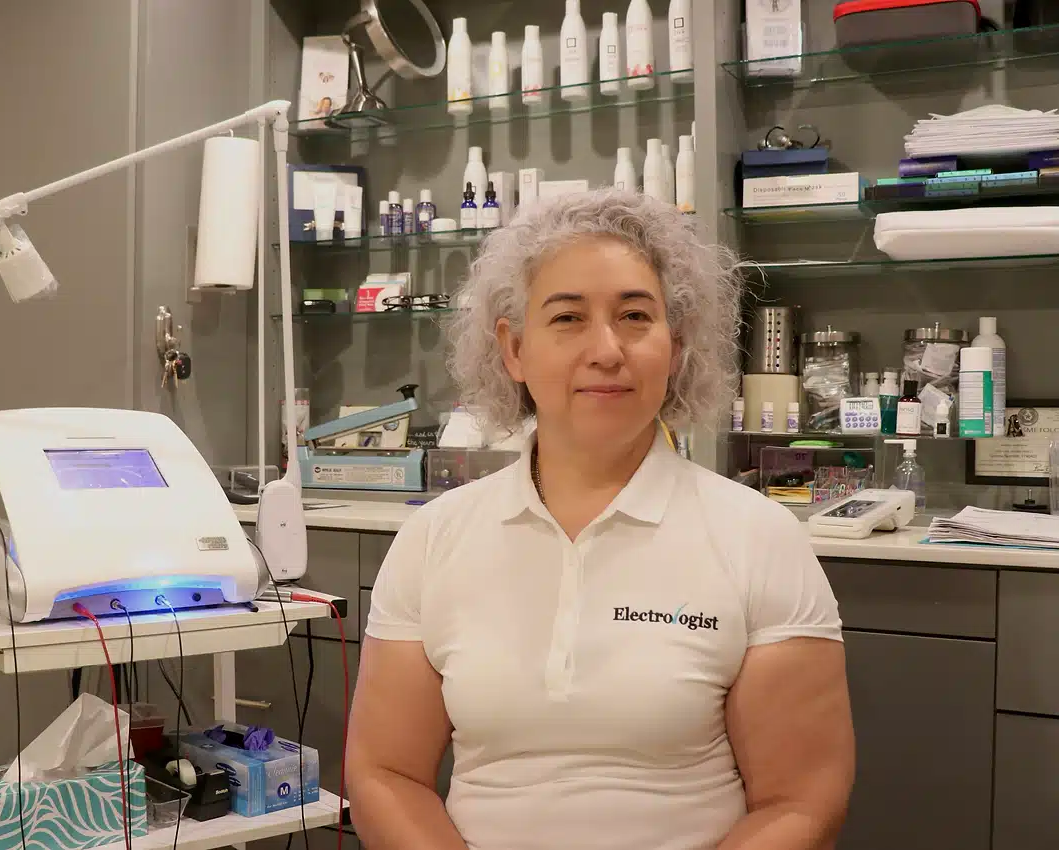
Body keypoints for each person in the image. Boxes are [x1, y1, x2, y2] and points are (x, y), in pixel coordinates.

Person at [345, 188, 854, 850]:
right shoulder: (435, 538)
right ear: (514, 349)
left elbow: (800, 800)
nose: (606, 350)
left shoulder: (756, 539)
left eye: (635, 316)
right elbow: (386, 774)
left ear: (674, 345)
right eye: (568, 319)